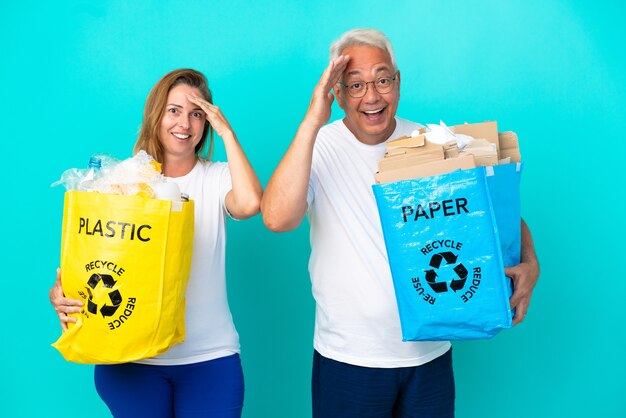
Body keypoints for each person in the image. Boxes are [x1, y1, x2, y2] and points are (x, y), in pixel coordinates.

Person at [261, 28, 540, 418]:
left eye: (382, 80)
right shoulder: (317, 146)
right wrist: (312, 119)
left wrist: (530, 260)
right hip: (349, 358)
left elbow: (493, 212)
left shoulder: (431, 144)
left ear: (398, 81)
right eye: (355, 85)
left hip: (430, 356)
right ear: (337, 93)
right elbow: (276, 218)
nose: (371, 96)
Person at [49, 68, 262, 418]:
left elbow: (252, 202)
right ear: (156, 115)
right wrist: (61, 293)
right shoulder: (122, 181)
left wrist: (226, 132)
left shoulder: (218, 177)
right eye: (174, 110)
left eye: (197, 113)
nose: (185, 123)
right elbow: (97, 258)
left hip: (208, 358)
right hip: (131, 358)